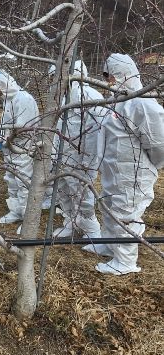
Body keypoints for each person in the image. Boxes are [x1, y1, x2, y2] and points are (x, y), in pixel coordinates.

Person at [84, 53, 164, 275]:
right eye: (106, 76)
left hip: (133, 171)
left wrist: (153, 165)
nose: (108, 81)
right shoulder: (117, 100)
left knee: (126, 212)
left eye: (111, 76)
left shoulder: (142, 102)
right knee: (109, 205)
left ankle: (125, 261)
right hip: (114, 170)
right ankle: (109, 244)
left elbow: (158, 142)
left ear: (124, 74)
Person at [50, 60, 104, 239]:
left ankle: (91, 230)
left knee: (82, 195)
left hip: (81, 159)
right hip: (62, 156)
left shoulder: (90, 97)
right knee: (63, 191)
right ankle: (71, 223)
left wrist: (89, 163)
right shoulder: (61, 97)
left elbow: (96, 134)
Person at [0, 71, 39, 224]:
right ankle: (16, 211)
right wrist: (0, 136)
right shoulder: (8, 99)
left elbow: (24, 128)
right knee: (11, 180)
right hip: (10, 148)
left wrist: (5, 137)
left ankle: (27, 219)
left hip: (22, 148)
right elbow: (6, 123)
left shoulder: (24, 99)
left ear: (4, 85)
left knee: (23, 182)